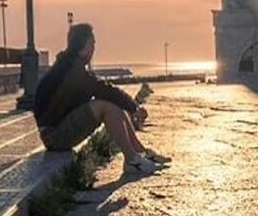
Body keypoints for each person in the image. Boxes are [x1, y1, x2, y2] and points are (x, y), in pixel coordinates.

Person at [33, 22, 168, 176]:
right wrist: (134, 108)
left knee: (112, 105)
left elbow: (103, 89)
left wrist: (132, 107)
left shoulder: (69, 65)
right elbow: (103, 89)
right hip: (54, 136)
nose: (94, 48)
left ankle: (140, 152)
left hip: (55, 131)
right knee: (106, 107)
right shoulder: (70, 70)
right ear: (85, 45)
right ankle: (132, 161)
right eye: (93, 43)